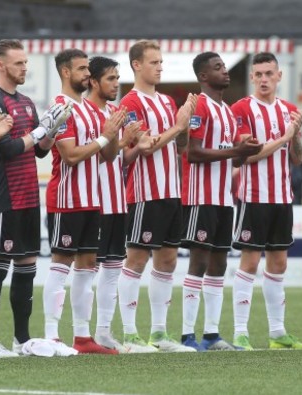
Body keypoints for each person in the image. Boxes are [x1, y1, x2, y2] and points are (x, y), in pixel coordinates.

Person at [0, 39, 72, 357]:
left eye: (26, 63)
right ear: (0, 65)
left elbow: (40, 151)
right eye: (18, 63)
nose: (24, 68)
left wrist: (53, 129)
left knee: (28, 265)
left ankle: (22, 339)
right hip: (6, 197)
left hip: (31, 195)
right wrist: (39, 131)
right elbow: (6, 149)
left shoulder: (28, 102)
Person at [42, 48, 125, 355]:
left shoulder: (89, 110)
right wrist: (105, 137)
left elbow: (107, 155)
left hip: (92, 200)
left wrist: (113, 132)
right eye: (81, 70)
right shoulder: (60, 107)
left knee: (88, 265)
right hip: (67, 198)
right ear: (66, 72)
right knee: (61, 263)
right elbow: (71, 155)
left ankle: (82, 336)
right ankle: (51, 333)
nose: (86, 75)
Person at [116, 40, 197, 353]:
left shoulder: (165, 101)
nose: (160, 67)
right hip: (145, 192)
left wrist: (184, 126)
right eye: (154, 62)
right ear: (137, 65)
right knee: (136, 259)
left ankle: (160, 334)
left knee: (167, 259)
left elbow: (177, 145)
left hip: (171, 191)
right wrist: (178, 127)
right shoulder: (131, 103)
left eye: (161, 62)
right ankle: (129, 334)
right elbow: (146, 145)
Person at [180, 52, 262, 351]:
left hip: (224, 199)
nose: (225, 72)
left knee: (218, 264)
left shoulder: (227, 110)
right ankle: (187, 335)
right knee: (198, 261)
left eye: (224, 66)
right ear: (204, 76)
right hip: (201, 196)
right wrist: (234, 151)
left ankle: (212, 334)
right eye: (217, 68)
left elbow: (234, 156)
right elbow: (194, 152)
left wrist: (247, 150)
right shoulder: (199, 105)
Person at [230, 52, 302, 350]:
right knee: (249, 262)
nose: (264, 79)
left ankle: (278, 333)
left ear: (279, 76)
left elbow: (298, 158)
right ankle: (241, 332)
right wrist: (283, 137)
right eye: (259, 74)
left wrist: (296, 135)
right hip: (253, 197)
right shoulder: (242, 109)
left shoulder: (289, 110)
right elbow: (246, 155)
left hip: (282, 198)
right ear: (252, 77)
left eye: (269, 73)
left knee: (278, 263)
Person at [86, 56, 149, 353]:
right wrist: (121, 142)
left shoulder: (115, 112)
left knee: (112, 267)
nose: (116, 84)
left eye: (117, 78)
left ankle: (103, 332)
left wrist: (135, 149)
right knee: (86, 268)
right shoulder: (86, 112)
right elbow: (99, 155)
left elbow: (118, 162)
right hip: (92, 201)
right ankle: (80, 333)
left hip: (116, 201)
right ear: (93, 81)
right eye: (110, 78)